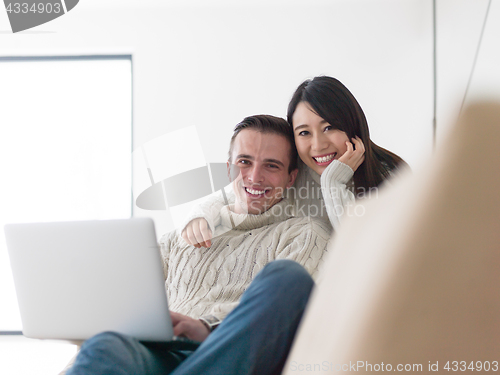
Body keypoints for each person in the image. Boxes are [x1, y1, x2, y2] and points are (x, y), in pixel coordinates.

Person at [65, 115, 332, 375]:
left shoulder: (302, 234)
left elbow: (292, 312)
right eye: (244, 162)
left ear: (291, 177)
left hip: (223, 353)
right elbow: (126, 307)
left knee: (289, 278)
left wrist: (207, 326)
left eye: (271, 166)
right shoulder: (177, 238)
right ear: (229, 168)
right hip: (159, 354)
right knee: (105, 346)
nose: (255, 176)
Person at [181, 76, 407, 248]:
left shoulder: (390, 176)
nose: (317, 145)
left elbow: (359, 251)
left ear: (352, 125)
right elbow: (235, 194)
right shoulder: (296, 172)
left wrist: (333, 183)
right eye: (304, 133)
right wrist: (200, 215)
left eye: (329, 128)